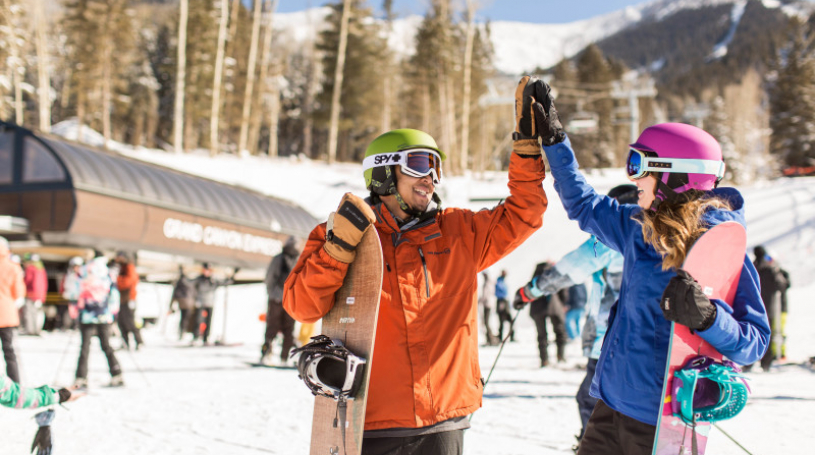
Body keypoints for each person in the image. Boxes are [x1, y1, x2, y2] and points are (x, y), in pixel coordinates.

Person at [284, 78, 549, 455]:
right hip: (372, 421)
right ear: (383, 173)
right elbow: (301, 306)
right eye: (421, 164)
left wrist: (525, 150)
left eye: (435, 167)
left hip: (444, 418)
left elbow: (526, 210)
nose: (431, 177)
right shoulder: (341, 235)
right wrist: (337, 250)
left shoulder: (460, 232)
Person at [514, 79, 770, 455]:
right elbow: (582, 204)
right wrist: (555, 141)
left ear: (674, 175)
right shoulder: (637, 229)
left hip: (659, 422)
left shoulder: (721, 249)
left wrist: (708, 318)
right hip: (610, 406)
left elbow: (754, 344)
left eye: (639, 165)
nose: (632, 179)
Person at [516, 184, 638, 449]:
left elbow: (569, 269)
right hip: (647, 345)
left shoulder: (609, 238)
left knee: (592, 402)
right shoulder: (661, 236)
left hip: (609, 342)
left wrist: (530, 290)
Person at [74, 257, 123, 388]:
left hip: (87, 316)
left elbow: (76, 293)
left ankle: (81, 377)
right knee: (106, 346)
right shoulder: (107, 275)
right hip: (104, 315)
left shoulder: (84, 273)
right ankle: (117, 373)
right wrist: (113, 313)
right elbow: (114, 295)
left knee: (84, 347)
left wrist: (77, 310)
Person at [517, 262, 568, 367]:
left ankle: (544, 360)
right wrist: (563, 303)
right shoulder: (552, 275)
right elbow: (563, 291)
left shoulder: (535, 277)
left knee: (542, 335)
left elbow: (528, 293)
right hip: (554, 306)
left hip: (538, 308)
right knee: (560, 331)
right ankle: (560, 356)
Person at [261, 236, 300, 366]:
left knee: (272, 327)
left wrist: (272, 293)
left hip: (276, 299)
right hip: (291, 300)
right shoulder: (300, 260)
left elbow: (269, 277)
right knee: (289, 330)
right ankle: (284, 358)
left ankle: (266, 355)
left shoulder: (278, 258)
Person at [752, 245, 788, 372]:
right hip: (771, 306)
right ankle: (766, 362)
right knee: (768, 333)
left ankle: (750, 361)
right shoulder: (771, 267)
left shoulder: (753, 266)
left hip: (756, 307)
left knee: (754, 332)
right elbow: (782, 284)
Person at [0, 236, 25, 382]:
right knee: (9, 351)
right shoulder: (13, 267)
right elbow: (18, 294)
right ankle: (15, 382)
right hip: (7, 314)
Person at [191, 263, 235, 345]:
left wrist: (232, 276)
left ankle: (205, 338)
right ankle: (196, 337)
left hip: (210, 302)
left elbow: (225, 282)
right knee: (198, 320)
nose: (206, 272)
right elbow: (190, 283)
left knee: (208, 321)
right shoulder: (199, 280)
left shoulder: (213, 280)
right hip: (200, 302)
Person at [115, 251, 143, 351]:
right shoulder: (122, 267)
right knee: (121, 322)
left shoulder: (129, 267)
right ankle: (125, 342)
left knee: (130, 322)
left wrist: (117, 279)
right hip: (123, 299)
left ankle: (139, 342)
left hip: (129, 299)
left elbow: (128, 282)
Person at [22, 253, 48, 336]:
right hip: (40, 295)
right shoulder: (41, 269)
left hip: (31, 294)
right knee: (37, 313)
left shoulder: (30, 269)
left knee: (29, 313)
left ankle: (30, 330)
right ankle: (37, 329)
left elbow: (27, 280)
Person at [169, 267, 196, 341]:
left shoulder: (179, 283)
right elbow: (193, 293)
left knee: (183, 318)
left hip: (182, 303)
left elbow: (174, 294)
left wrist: (171, 305)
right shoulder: (189, 283)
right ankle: (183, 332)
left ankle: (182, 332)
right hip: (188, 303)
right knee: (185, 319)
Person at [60, 256, 85, 330]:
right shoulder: (70, 275)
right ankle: (70, 325)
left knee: (79, 312)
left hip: (81, 297)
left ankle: (77, 325)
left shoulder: (83, 276)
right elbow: (66, 285)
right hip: (72, 297)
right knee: (72, 312)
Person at [478, 270, 498, 345]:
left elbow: (485, 295)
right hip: (488, 304)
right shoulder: (489, 283)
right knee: (486, 322)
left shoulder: (487, 284)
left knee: (486, 322)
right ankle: (490, 339)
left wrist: (479, 300)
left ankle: (491, 339)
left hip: (487, 305)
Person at [494, 270, 514, 342]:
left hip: (505, 302)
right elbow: (499, 292)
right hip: (501, 301)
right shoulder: (499, 282)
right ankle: (500, 337)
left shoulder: (503, 282)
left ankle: (511, 336)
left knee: (510, 320)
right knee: (501, 320)